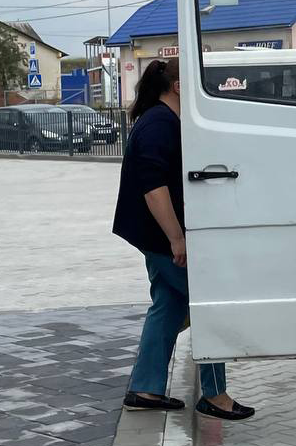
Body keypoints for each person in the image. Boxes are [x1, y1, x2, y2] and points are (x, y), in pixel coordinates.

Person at [113, 59, 255, 421]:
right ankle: (215, 396)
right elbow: (153, 187)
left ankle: (145, 388)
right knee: (210, 304)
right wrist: (177, 239)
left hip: (151, 235)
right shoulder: (159, 123)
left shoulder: (160, 120)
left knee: (168, 307)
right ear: (177, 86)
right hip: (163, 237)